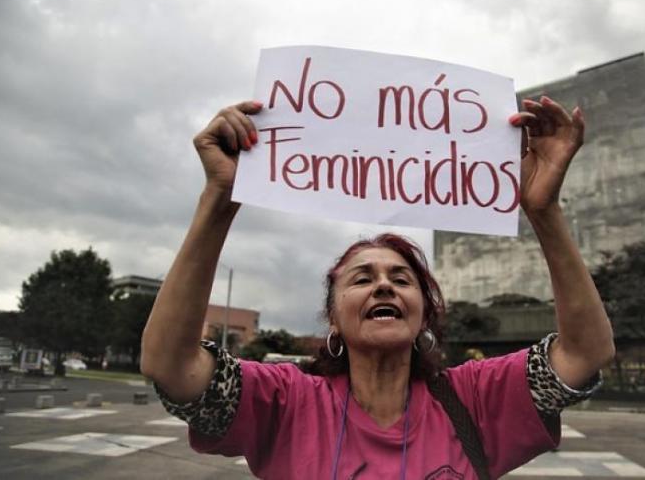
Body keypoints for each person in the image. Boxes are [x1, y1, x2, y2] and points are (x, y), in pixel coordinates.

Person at [140, 95, 615, 479]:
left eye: (401, 279)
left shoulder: (476, 398)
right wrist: (219, 200)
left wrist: (544, 212)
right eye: (363, 278)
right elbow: (170, 365)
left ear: (423, 312)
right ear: (334, 317)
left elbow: (584, 355)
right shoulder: (287, 401)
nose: (384, 286)